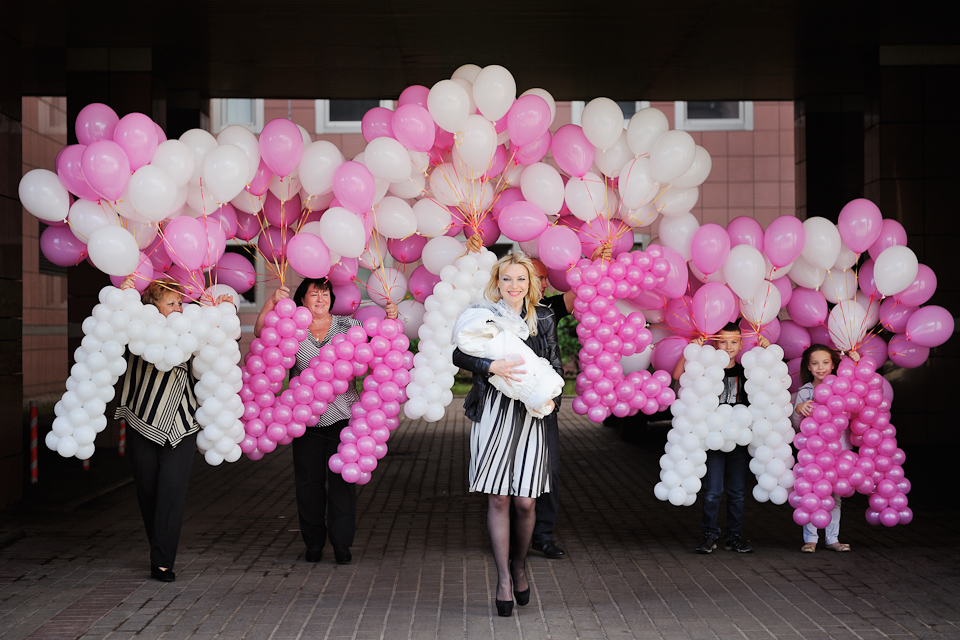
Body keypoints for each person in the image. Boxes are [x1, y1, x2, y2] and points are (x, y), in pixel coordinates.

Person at [255, 278, 396, 565]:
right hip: (303, 421)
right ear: (302, 299)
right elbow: (261, 334)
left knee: (343, 484)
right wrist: (271, 302)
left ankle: (342, 544)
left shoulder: (350, 327)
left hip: (344, 418)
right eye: (313, 294)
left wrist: (392, 320)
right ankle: (313, 543)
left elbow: (382, 346)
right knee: (309, 485)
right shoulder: (291, 327)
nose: (320, 299)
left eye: (325, 293)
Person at [453, 253, 562, 617]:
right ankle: (502, 579)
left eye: (520, 280)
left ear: (530, 283)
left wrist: (546, 396)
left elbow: (557, 365)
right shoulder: (484, 314)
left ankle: (519, 566)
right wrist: (490, 365)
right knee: (498, 498)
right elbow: (459, 353)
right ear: (496, 283)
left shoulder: (543, 318)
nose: (513, 286)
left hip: (532, 414)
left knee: (525, 501)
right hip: (494, 411)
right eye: (506, 280)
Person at [116, 276, 233, 583]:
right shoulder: (136, 326)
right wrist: (124, 294)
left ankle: (162, 561)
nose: (180, 308)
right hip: (141, 420)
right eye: (172, 303)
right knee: (147, 491)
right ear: (152, 306)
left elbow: (215, 350)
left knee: (171, 490)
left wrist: (220, 315)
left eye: (181, 302)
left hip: (182, 424)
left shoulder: (191, 329)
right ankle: (159, 545)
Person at [673, 322, 768, 554]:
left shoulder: (747, 370)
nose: (728, 347)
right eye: (723, 342)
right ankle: (709, 534)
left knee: (737, 491)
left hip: (739, 437)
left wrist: (766, 351)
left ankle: (734, 536)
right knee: (713, 490)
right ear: (714, 343)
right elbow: (677, 375)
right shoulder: (705, 367)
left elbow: (766, 384)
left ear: (741, 344)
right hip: (713, 437)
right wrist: (691, 351)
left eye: (734, 342)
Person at [528, 258, 574, 559]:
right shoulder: (499, 313)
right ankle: (513, 536)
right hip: (510, 406)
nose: (546, 284)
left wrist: (600, 262)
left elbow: (580, 293)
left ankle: (542, 536)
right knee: (513, 474)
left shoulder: (548, 311)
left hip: (544, 405)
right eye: (542, 278)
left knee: (550, 471)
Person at [793, 343, 854, 553]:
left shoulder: (844, 387)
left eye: (826, 362)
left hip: (839, 450)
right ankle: (810, 539)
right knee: (811, 493)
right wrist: (799, 408)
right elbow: (794, 424)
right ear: (808, 367)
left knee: (834, 496)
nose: (821, 367)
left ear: (833, 365)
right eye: (815, 363)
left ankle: (832, 539)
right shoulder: (804, 391)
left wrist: (854, 360)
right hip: (813, 453)